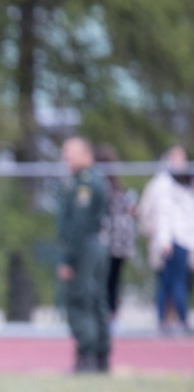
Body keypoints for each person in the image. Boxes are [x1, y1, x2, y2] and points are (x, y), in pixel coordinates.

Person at [57, 136, 111, 372]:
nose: (65, 157)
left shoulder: (84, 184)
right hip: (96, 245)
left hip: (85, 248)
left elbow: (79, 224)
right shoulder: (91, 180)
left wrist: (69, 259)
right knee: (97, 300)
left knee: (81, 300)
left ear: (87, 155)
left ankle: (87, 356)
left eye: (71, 152)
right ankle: (101, 357)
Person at [137, 146, 194, 335]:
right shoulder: (163, 183)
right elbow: (162, 215)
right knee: (172, 282)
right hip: (170, 240)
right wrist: (164, 240)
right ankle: (179, 320)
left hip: (184, 240)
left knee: (172, 282)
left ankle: (167, 320)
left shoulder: (186, 182)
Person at [95, 145, 138, 321]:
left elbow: (132, 209)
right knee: (110, 281)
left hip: (115, 242)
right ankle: (109, 313)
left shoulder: (118, 189)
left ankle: (109, 314)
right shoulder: (104, 187)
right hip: (111, 241)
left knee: (109, 281)